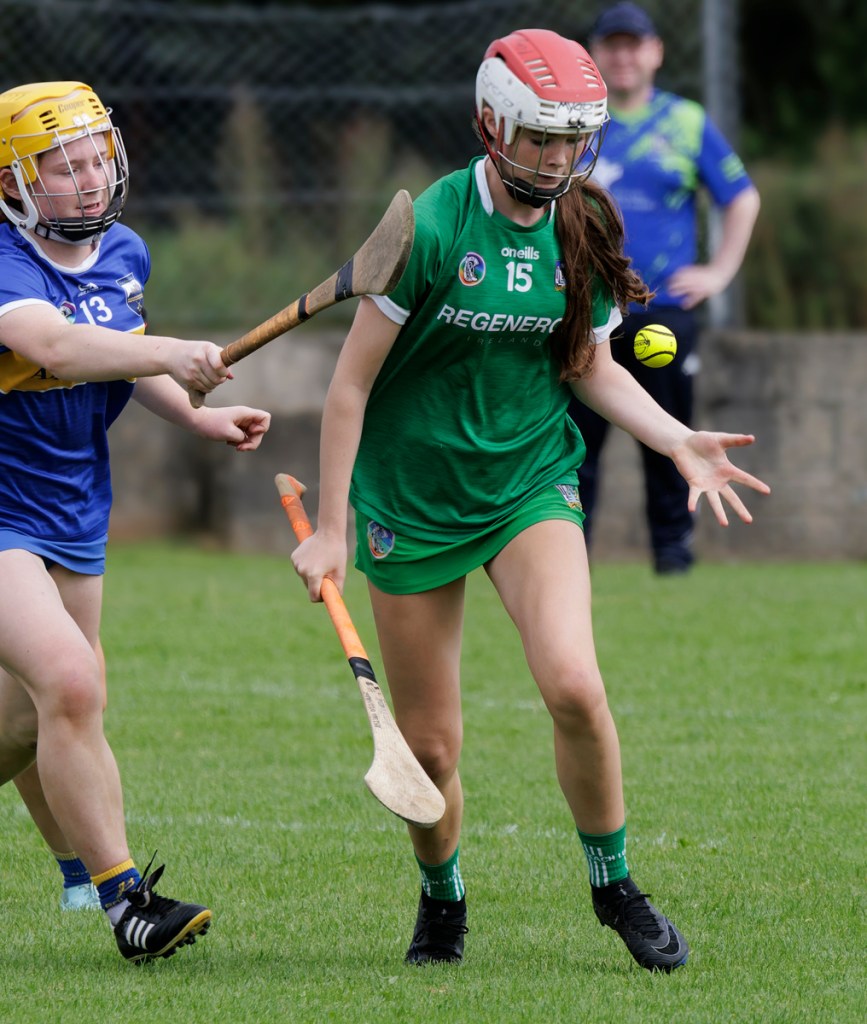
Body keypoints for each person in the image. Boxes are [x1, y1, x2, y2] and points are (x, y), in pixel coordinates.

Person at [289, 29, 769, 973]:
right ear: (491, 124)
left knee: (575, 686)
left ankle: (614, 886)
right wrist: (333, 530)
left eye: (572, 137)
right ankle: (442, 896)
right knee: (430, 752)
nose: (556, 156)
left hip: (527, 482)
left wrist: (674, 439)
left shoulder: (580, 224)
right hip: (411, 499)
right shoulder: (431, 226)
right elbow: (349, 388)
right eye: (539, 135)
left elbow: (587, 362)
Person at [0, 80, 272, 960]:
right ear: (12, 182)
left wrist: (197, 415)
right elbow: (53, 345)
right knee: (71, 682)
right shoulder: (4, 259)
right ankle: (128, 903)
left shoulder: (124, 251)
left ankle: (89, 877)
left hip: (73, 504)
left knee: (27, 720)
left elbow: (120, 353)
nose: (87, 179)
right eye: (62, 166)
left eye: (95, 159)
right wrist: (174, 351)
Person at [567, 2, 761, 575]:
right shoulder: (576, 122)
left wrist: (719, 273)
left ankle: (674, 556)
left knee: (671, 437)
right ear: (595, 55)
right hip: (582, 308)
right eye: (612, 45)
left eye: (634, 45)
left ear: (655, 52)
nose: (623, 56)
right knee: (577, 442)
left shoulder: (686, 122)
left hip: (661, 313)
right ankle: (569, 556)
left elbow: (742, 198)